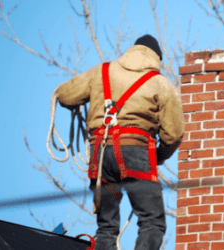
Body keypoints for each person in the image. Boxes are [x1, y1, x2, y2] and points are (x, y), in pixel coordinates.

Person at [57, 34, 184, 250]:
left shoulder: (101, 72)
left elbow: (65, 96)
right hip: (134, 155)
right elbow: (173, 135)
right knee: (152, 221)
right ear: (156, 58)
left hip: (101, 157)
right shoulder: (161, 84)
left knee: (107, 225)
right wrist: (158, 156)